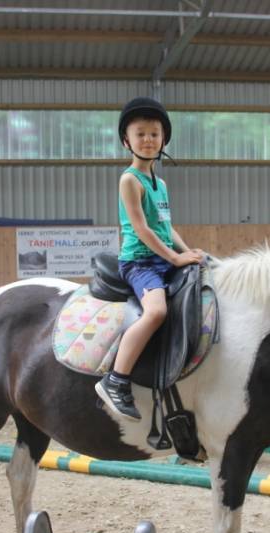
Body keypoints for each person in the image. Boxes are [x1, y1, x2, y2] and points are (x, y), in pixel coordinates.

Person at [95, 97, 204, 421]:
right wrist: (175, 258)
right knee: (156, 312)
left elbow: (167, 228)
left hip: (163, 258)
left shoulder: (162, 184)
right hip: (140, 262)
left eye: (154, 134)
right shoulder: (129, 180)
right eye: (140, 134)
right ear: (126, 141)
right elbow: (142, 229)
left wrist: (187, 253)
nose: (148, 140)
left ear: (163, 139)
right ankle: (116, 380)